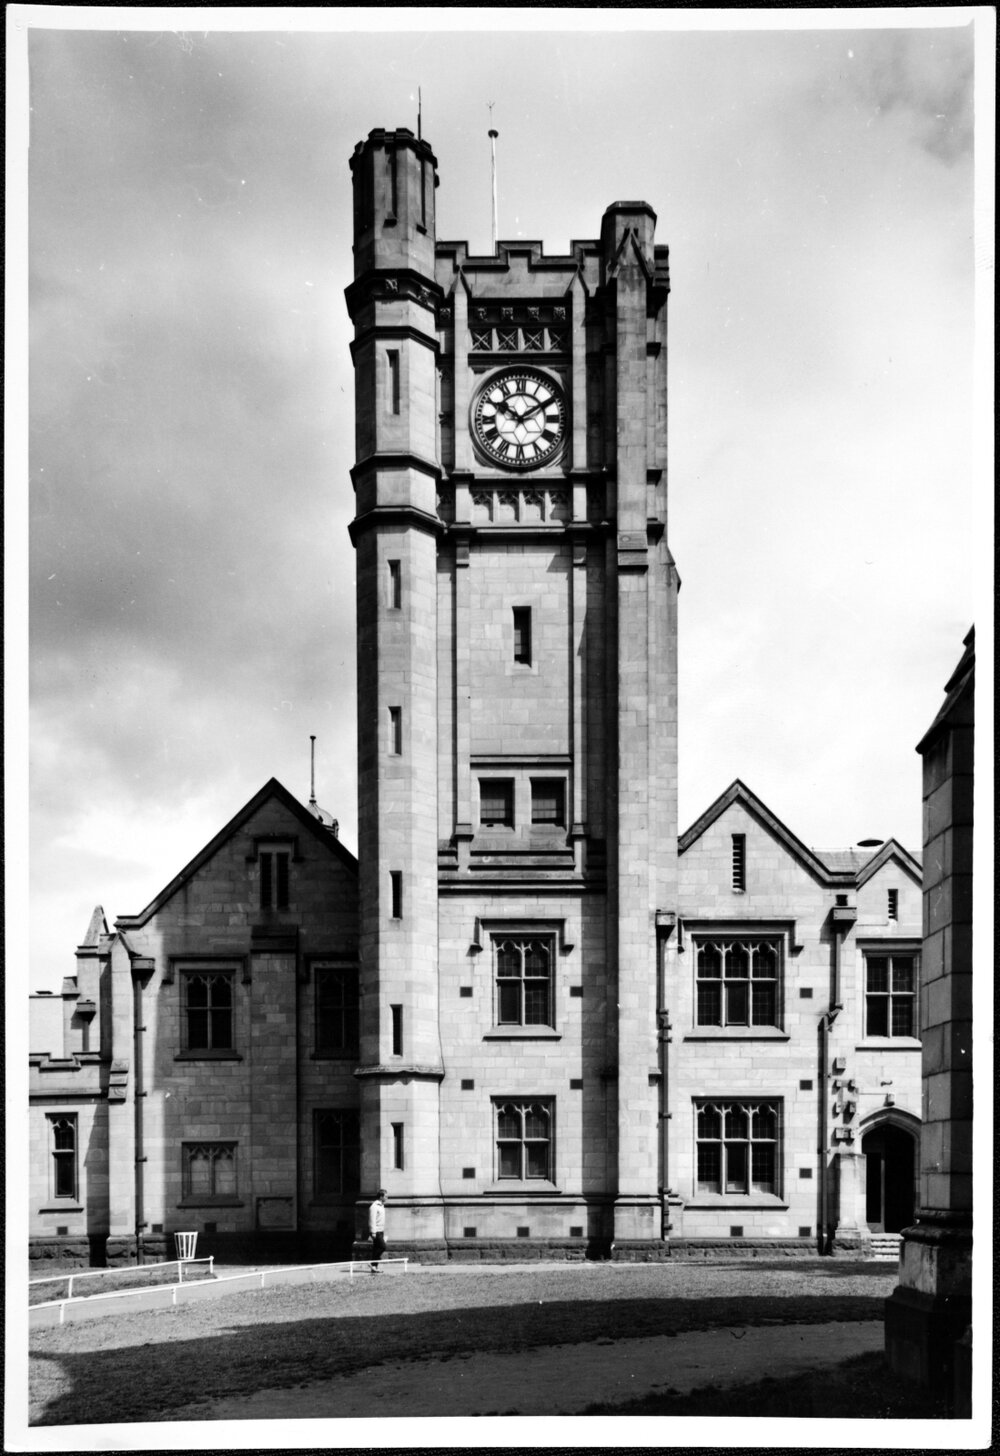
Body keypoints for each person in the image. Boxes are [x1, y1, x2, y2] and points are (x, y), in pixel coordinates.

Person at [368, 1188, 387, 1273]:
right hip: (376, 1231)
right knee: (383, 1247)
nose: (387, 1198)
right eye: (386, 1196)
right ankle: (372, 1263)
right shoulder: (374, 1206)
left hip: (381, 1231)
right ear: (381, 1196)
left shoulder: (381, 1205)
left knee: (376, 1248)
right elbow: (372, 1220)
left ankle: (374, 1267)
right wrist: (373, 1232)